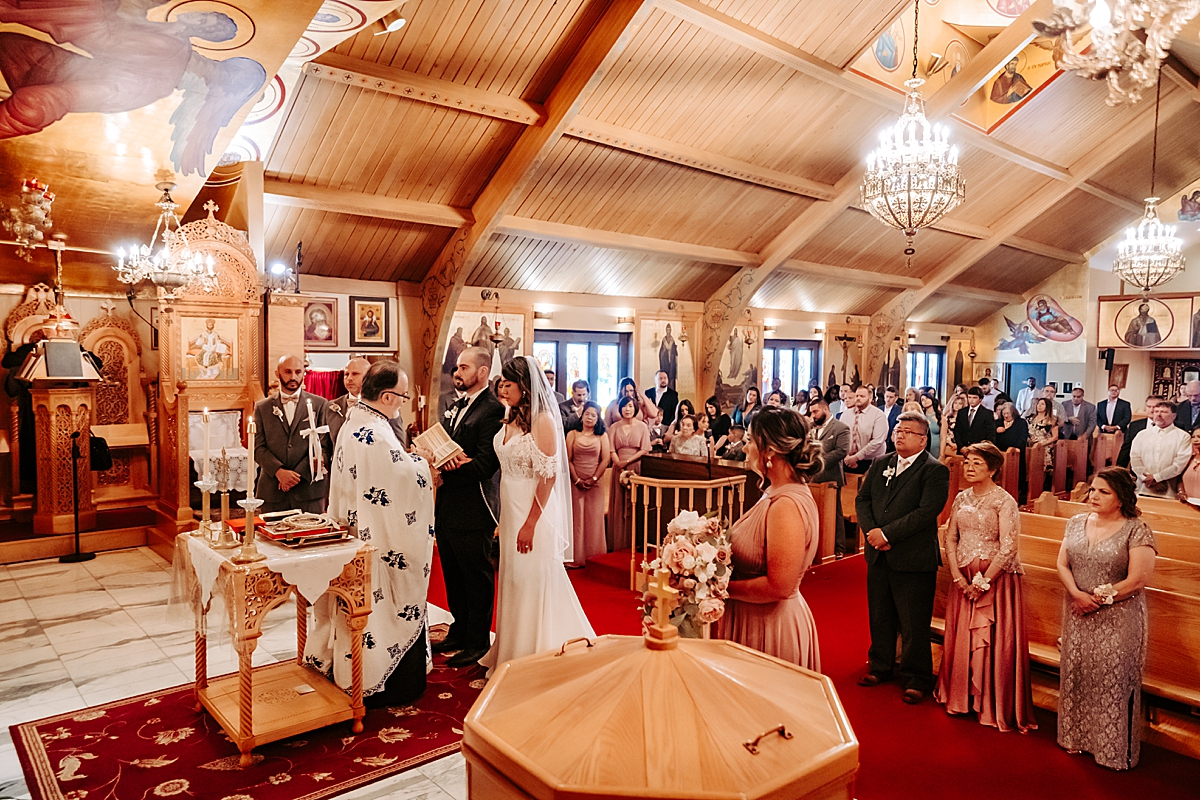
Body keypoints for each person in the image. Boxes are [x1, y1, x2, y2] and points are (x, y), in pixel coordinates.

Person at [305, 362, 432, 707]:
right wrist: (422, 462)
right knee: (384, 603)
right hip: (377, 539)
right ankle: (385, 680)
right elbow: (401, 479)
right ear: (387, 396)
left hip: (357, 531)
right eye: (402, 397)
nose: (403, 404)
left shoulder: (356, 421)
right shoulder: (374, 431)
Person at [480, 356, 594, 674]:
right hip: (511, 511)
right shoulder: (510, 417)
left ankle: (534, 653)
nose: (502, 388)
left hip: (533, 514)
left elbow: (548, 477)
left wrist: (530, 523)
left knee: (530, 580)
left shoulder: (542, 421)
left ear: (524, 386)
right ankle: (510, 649)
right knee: (513, 581)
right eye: (501, 383)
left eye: (508, 383)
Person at [1056, 468, 1157, 770]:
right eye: (1092, 490)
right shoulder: (1075, 522)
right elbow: (1062, 563)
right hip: (1077, 612)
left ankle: (1113, 752)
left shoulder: (1137, 529)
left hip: (1118, 618)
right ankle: (1074, 739)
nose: (1093, 496)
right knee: (1078, 675)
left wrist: (1096, 599)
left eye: (1103, 492)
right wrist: (1076, 594)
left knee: (1111, 682)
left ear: (1121, 497)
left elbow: (1138, 578)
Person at [934, 442, 1036, 733]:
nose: (969, 468)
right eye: (967, 462)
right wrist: (957, 576)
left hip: (996, 582)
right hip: (963, 578)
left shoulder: (1004, 501)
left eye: (977, 463)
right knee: (962, 637)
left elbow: (1009, 547)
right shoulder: (961, 498)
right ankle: (961, 696)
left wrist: (982, 582)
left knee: (990, 639)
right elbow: (950, 537)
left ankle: (991, 703)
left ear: (993, 468)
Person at [715, 407, 823, 670]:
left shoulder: (786, 505)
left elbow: (779, 586)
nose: (744, 447)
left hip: (769, 626)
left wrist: (716, 589)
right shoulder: (775, 490)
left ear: (771, 451)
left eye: (750, 440)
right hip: (753, 618)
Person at [856, 411, 950, 704]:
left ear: (923, 439)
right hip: (878, 555)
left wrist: (887, 535)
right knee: (880, 614)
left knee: (913, 621)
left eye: (907, 431)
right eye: (898, 429)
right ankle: (881, 665)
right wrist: (872, 531)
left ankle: (915, 677)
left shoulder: (934, 471)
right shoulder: (882, 463)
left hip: (912, 557)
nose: (899, 434)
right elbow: (863, 499)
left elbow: (926, 512)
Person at [432, 346, 505, 668]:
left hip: (475, 506)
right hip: (449, 503)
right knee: (453, 573)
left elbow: (486, 465)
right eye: (456, 368)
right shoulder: (454, 404)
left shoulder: (492, 409)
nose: (457, 373)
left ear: (483, 372)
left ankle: (477, 640)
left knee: (476, 577)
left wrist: (448, 467)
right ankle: (459, 629)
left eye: (463, 367)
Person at [252, 355, 332, 513]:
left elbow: (324, 445)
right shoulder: (262, 407)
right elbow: (257, 448)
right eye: (288, 372)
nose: (293, 377)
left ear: (304, 373)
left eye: (298, 372)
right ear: (278, 373)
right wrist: (279, 472)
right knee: (272, 536)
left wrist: (297, 475)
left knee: (310, 535)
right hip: (273, 489)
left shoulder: (320, 404)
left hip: (309, 489)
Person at [566, 401, 610, 567]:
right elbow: (567, 459)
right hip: (575, 480)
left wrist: (593, 479)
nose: (590, 418)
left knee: (593, 518)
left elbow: (605, 459)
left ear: (598, 418)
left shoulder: (602, 436)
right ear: (581, 415)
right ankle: (575, 557)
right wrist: (576, 479)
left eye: (594, 415)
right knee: (576, 518)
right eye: (587, 414)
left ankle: (594, 557)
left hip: (595, 482)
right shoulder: (572, 434)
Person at [327, 356, 406, 448]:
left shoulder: (385, 404)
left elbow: (399, 443)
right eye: (346, 374)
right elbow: (327, 446)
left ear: (369, 377)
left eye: (355, 374)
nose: (349, 378)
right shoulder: (332, 406)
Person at [609, 395, 652, 551]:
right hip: (618, 467)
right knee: (619, 504)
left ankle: (634, 541)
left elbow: (645, 449)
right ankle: (619, 542)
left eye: (630, 406)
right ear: (620, 408)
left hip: (635, 466)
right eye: (624, 406)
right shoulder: (614, 427)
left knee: (635, 503)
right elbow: (611, 449)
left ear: (635, 409)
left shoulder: (642, 426)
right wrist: (618, 464)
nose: (627, 409)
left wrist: (627, 463)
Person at [809, 400, 850, 557]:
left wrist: (818, 460)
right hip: (812, 477)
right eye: (811, 412)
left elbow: (841, 451)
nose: (813, 416)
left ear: (825, 409)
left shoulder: (841, 428)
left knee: (834, 514)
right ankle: (817, 547)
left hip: (830, 476)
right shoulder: (811, 428)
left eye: (815, 412)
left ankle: (838, 547)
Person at [1129, 402, 1192, 497]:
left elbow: (1179, 464)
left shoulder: (1183, 436)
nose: (1158, 415)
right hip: (1143, 487)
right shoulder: (1142, 434)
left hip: (1169, 490)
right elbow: (1135, 459)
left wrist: (1157, 478)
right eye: (1156, 411)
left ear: (1174, 416)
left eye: (1164, 412)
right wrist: (1145, 478)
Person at [841, 385, 887, 474]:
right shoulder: (846, 414)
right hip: (847, 460)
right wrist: (846, 456)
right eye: (857, 396)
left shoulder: (878, 415)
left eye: (862, 396)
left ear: (870, 398)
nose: (858, 398)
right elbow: (840, 436)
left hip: (870, 461)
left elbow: (877, 441)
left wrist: (857, 457)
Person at [995, 402, 1030, 501]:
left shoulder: (1021, 422)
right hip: (1000, 453)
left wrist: (1017, 448)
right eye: (1004, 413)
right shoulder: (998, 423)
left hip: (1015, 454)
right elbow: (991, 436)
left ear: (1013, 413)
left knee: (1016, 476)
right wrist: (996, 431)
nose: (1005, 416)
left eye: (1008, 413)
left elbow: (1023, 437)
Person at [1117, 395, 1162, 468]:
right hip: (1138, 470)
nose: (1151, 410)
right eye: (1149, 406)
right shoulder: (1135, 425)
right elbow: (1126, 449)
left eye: (1155, 407)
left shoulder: (1172, 426)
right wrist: (1119, 469)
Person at [955, 387, 996, 453]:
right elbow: (957, 431)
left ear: (980, 399)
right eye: (969, 397)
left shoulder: (987, 414)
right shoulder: (962, 412)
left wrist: (981, 448)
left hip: (979, 450)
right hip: (963, 449)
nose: (971, 400)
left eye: (974, 398)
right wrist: (961, 446)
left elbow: (990, 434)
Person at [1028, 397, 1059, 474]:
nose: (1039, 406)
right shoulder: (1031, 418)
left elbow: (1055, 437)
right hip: (1031, 444)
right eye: (1038, 404)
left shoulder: (1052, 420)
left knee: (1042, 469)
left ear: (1047, 407)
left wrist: (1042, 444)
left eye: (1042, 404)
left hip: (1045, 445)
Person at [1175, 428, 1200, 504]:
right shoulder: (1188, 459)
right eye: (1193, 437)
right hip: (1187, 505)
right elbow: (1179, 480)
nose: (1195, 440)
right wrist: (1181, 492)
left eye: (1199, 437)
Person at [941, 394, 967, 459]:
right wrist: (951, 443)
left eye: (960, 403)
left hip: (961, 445)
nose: (957, 405)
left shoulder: (965, 418)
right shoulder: (947, 417)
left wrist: (959, 444)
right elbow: (945, 433)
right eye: (955, 403)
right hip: (949, 444)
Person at [882, 386, 901, 452]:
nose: (888, 399)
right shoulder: (878, 409)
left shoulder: (899, 411)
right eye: (887, 396)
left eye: (891, 397)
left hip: (891, 445)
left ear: (896, 398)